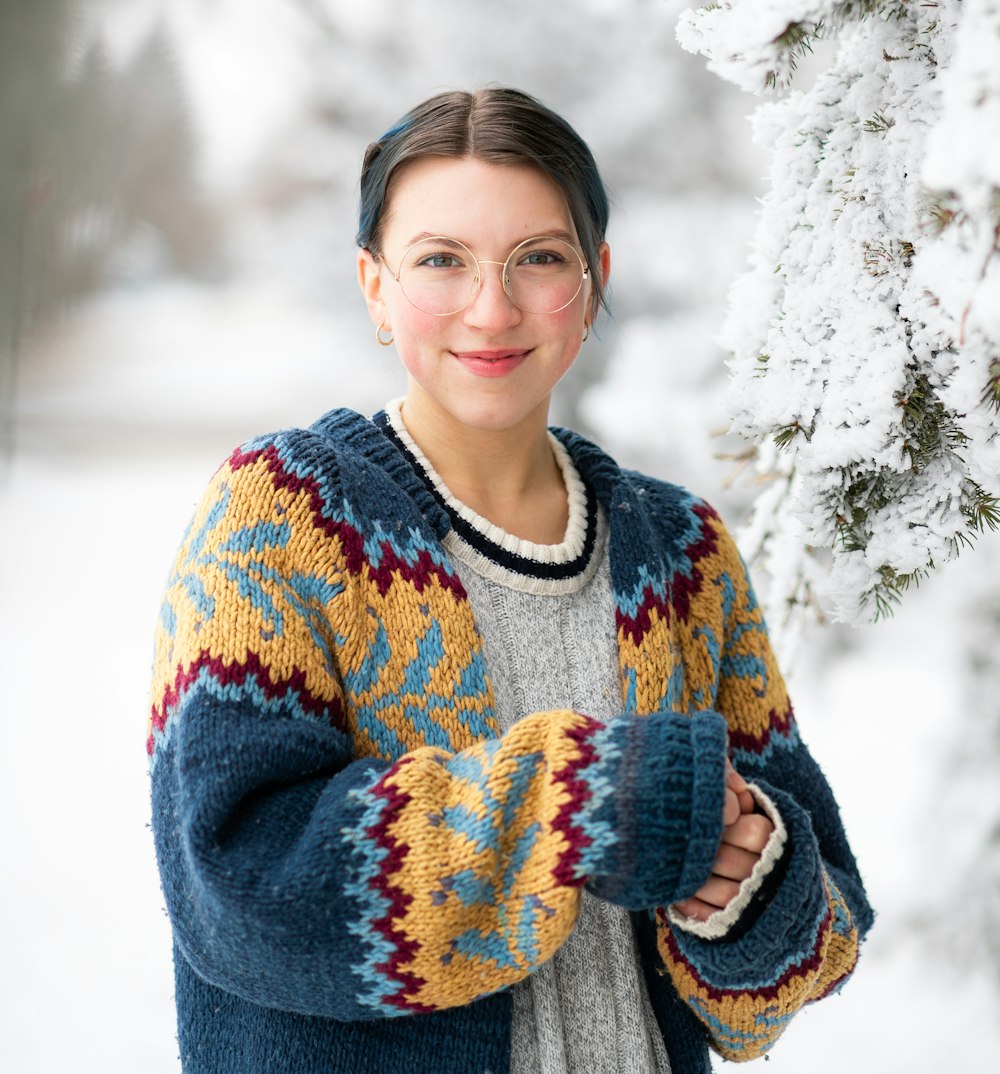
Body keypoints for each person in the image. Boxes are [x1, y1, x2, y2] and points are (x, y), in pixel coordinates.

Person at [148, 87, 873, 1074]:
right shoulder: (279, 517)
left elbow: (821, 933)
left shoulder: (682, 550)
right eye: (440, 260)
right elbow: (237, 884)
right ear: (373, 285)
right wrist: (579, 799)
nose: (492, 308)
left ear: (594, 277)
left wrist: (744, 883)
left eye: (537, 257)